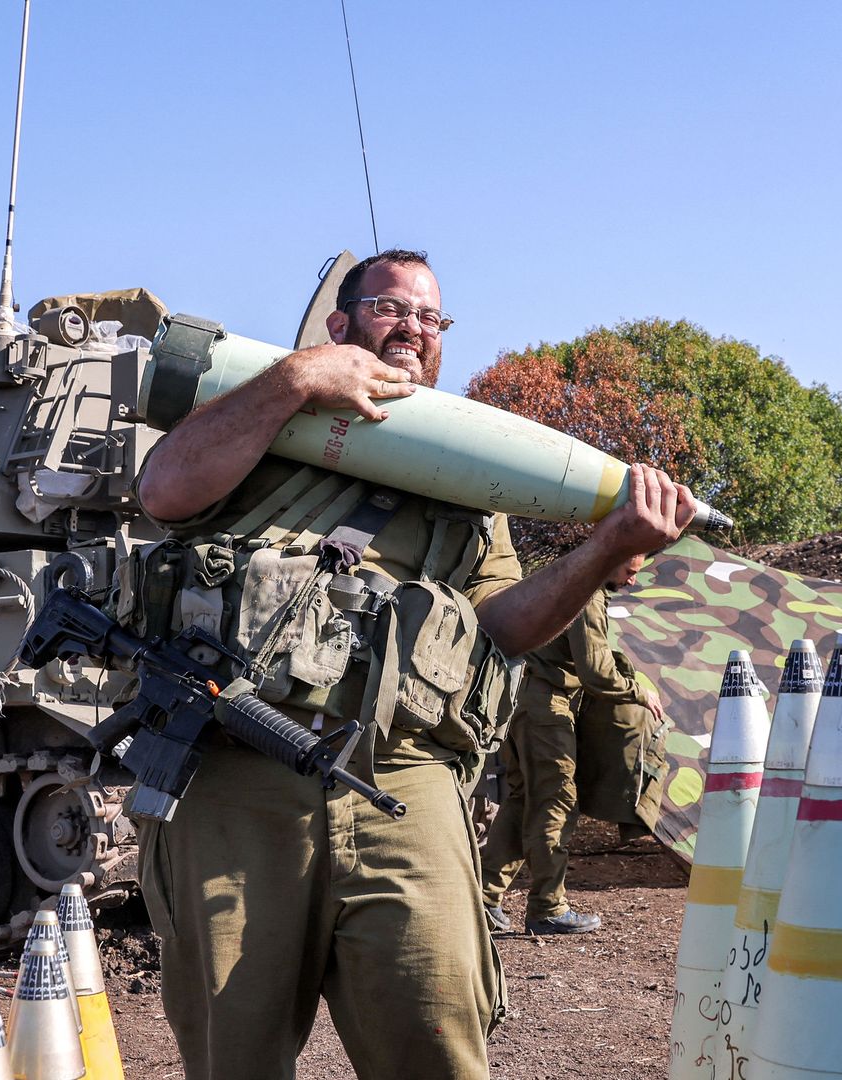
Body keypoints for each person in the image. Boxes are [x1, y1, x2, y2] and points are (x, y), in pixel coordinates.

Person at [132, 248, 696, 1080]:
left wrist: (606, 547)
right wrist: (294, 381)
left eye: (431, 318)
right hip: (234, 773)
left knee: (439, 1040)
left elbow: (504, 625)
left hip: (401, 778)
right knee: (233, 1056)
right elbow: (164, 491)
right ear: (342, 321)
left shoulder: (475, 472)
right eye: (391, 309)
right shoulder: (268, 414)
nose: (413, 329)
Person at [478, 561, 669, 935]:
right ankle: (548, 907)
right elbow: (595, 671)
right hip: (546, 707)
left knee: (521, 799)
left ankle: (482, 899)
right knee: (556, 800)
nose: (632, 579)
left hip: (517, 700)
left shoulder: (563, 577)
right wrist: (638, 692)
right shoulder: (587, 591)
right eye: (629, 569)